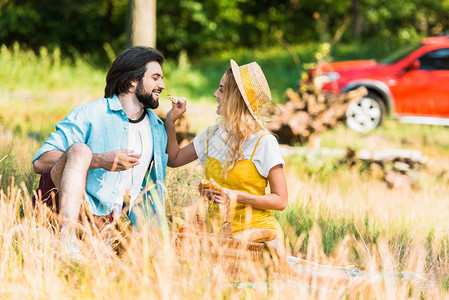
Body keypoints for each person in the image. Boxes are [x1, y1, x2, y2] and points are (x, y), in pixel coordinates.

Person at [32, 46, 169, 257]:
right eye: (155, 77)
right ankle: (65, 242)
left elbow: (169, 167)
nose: (162, 85)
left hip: (118, 224)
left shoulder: (157, 128)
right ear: (133, 80)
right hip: (74, 210)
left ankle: (83, 245)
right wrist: (97, 160)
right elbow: (40, 162)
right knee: (79, 151)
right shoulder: (91, 113)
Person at [165, 59, 288, 254]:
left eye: (222, 90)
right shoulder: (213, 134)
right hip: (217, 238)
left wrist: (236, 196)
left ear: (236, 98)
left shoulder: (264, 142)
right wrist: (171, 121)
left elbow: (280, 201)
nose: (215, 94)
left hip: (257, 237)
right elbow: (174, 159)